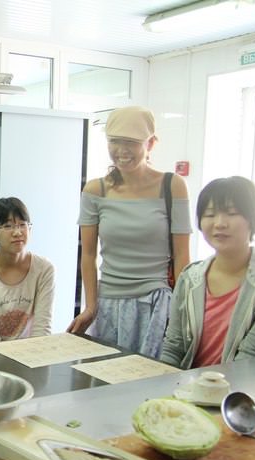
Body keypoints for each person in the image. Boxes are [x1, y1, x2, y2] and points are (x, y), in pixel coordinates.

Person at [67, 105, 192, 358]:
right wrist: (91, 307)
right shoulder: (95, 190)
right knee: (108, 375)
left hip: (157, 305)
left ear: (151, 143)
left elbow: (182, 256)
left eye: (131, 143)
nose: (121, 151)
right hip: (109, 304)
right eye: (114, 141)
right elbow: (88, 255)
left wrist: (182, 311)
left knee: (155, 374)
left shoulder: (173, 186)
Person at [160, 177, 255, 369]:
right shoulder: (190, 277)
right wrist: (162, 382)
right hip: (187, 385)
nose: (219, 223)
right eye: (209, 214)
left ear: (254, 218)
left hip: (245, 386)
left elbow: (254, 355)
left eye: (232, 213)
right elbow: (174, 347)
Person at [0, 197, 55, 343]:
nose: (17, 232)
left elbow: (42, 331)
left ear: (30, 229)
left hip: (28, 350)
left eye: (22, 225)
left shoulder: (44, 269)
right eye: (8, 226)